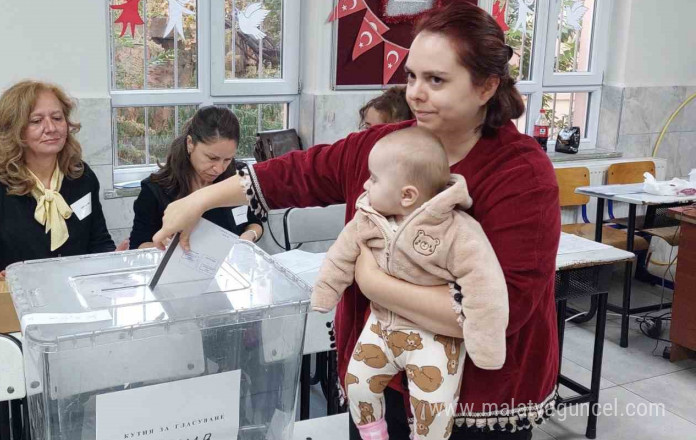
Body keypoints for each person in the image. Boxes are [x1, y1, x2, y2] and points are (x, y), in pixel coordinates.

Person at [152, 3, 560, 439]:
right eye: (412, 76)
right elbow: (299, 173)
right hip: (383, 380)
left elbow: (501, 311)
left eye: (436, 80)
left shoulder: (521, 173)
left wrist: (371, 282)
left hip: (476, 399)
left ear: (487, 86)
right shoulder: (387, 144)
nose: (415, 93)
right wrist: (199, 201)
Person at [311, 128, 508, 440]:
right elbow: (340, 255)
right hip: (381, 326)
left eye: (374, 179)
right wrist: (325, 292)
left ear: (407, 195)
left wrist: (488, 344)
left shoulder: (456, 230)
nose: (365, 184)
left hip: (435, 337)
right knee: (357, 383)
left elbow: (485, 286)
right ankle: (373, 432)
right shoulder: (368, 218)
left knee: (434, 407)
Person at [0, 80, 116, 281]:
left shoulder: (81, 176)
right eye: (36, 121)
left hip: (75, 298)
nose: (51, 128)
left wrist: (114, 259)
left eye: (57, 117)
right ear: (14, 129)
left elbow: (99, 243)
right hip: (15, 305)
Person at [128, 106, 263, 250]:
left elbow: (255, 223)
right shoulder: (155, 189)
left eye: (227, 159)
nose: (219, 168)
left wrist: (249, 235)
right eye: (212, 158)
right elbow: (138, 244)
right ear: (190, 144)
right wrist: (166, 246)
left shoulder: (239, 177)